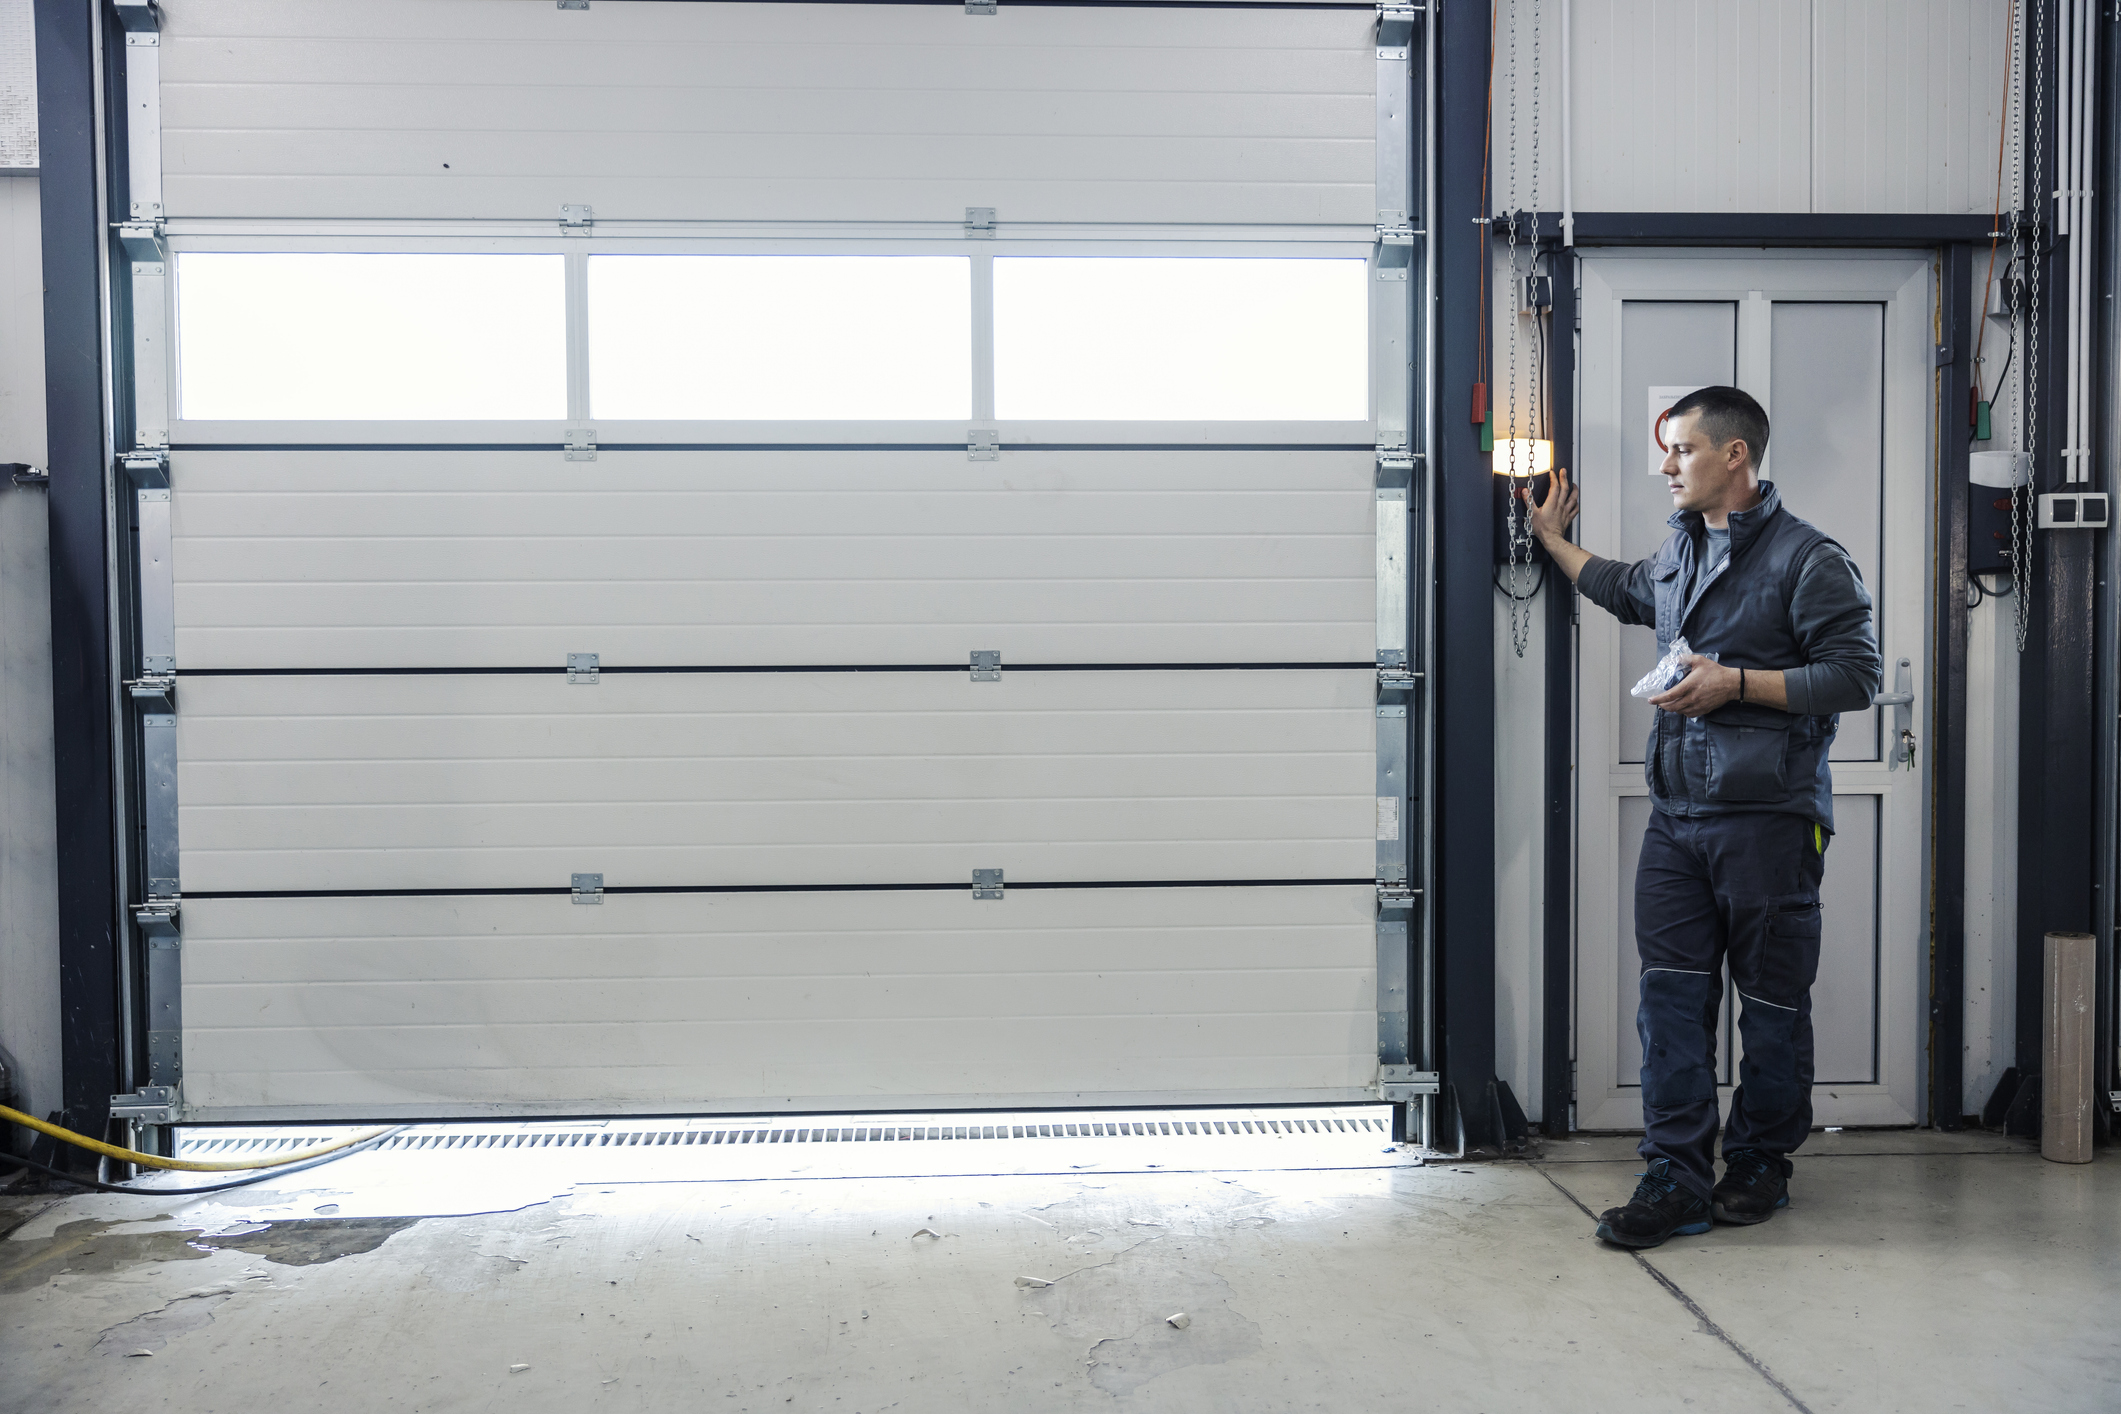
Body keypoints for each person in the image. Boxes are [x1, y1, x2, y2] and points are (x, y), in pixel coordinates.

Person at [1526, 385, 1882, 1249]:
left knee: (1768, 1004)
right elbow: (1623, 588)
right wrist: (1549, 541)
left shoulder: (1808, 560)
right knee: (1671, 1003)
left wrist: (1736, 683)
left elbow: (1855, 677)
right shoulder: (1680, 551)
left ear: (1734, 456)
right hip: (1676, 819)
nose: (1665, 466)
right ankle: (1676, 1176)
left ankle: (1759, 1163)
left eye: (1680, 450)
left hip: (1768, 819)